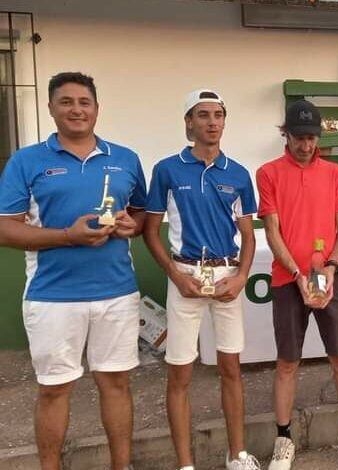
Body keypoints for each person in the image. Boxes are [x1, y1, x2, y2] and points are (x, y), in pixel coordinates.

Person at [0, 72, 146, 470]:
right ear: (51, 108)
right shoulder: (26, 161)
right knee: (53, 390)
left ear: (97, 109)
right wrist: (68, 235)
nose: (76, 109)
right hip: (53, 297)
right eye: (66, 102)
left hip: (116, 292)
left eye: (84, 102)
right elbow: (5, 227)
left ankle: (122, 466)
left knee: (116, 384)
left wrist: (132, 224)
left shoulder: (126, 159)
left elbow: (137, 214)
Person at [143, 89, 259, 470]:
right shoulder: (167, 169)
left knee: (231, 368)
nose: (212, 122)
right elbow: (150, 230)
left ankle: (237, 454)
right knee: (180, 372)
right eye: (203, 115)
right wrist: (175, 276)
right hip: (185, 277)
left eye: (219, 114)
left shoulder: (239, 174)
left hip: (226, 277)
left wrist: (241, 275)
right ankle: (185, 464)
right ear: (189, 123)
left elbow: (248, 234)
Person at [256, 99, 338, 470]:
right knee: (288, 362)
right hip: (287, 279)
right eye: (298, 137)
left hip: (329, 276)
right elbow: (272, 231)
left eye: (311, 138)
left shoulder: (334, 173)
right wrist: (297, 275)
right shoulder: (269, 172)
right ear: (285, 135)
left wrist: (333, 268)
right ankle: (284, 438)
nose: (306, 145)